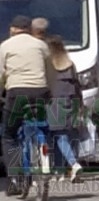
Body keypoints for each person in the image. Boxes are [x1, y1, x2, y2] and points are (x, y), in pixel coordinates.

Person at [0, 16, 51, 195]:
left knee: (8, 135)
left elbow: (1, 74)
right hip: (40, 91)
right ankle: (44, 152)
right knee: (41, 125)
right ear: (29, 29)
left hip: (16, 94)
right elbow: (49, 70)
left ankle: (15, 178)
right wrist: (49, 91)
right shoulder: (41, 45)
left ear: (13, 29)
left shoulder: (5, 46)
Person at [45, 35, 84, 182]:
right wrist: (79, 104)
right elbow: (77, 85)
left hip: (53, 103)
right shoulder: (69, 63)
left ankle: (73, 164)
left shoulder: (48, 64)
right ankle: (61, 169)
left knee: (59, 136)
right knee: (67, 135)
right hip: (70, 101)